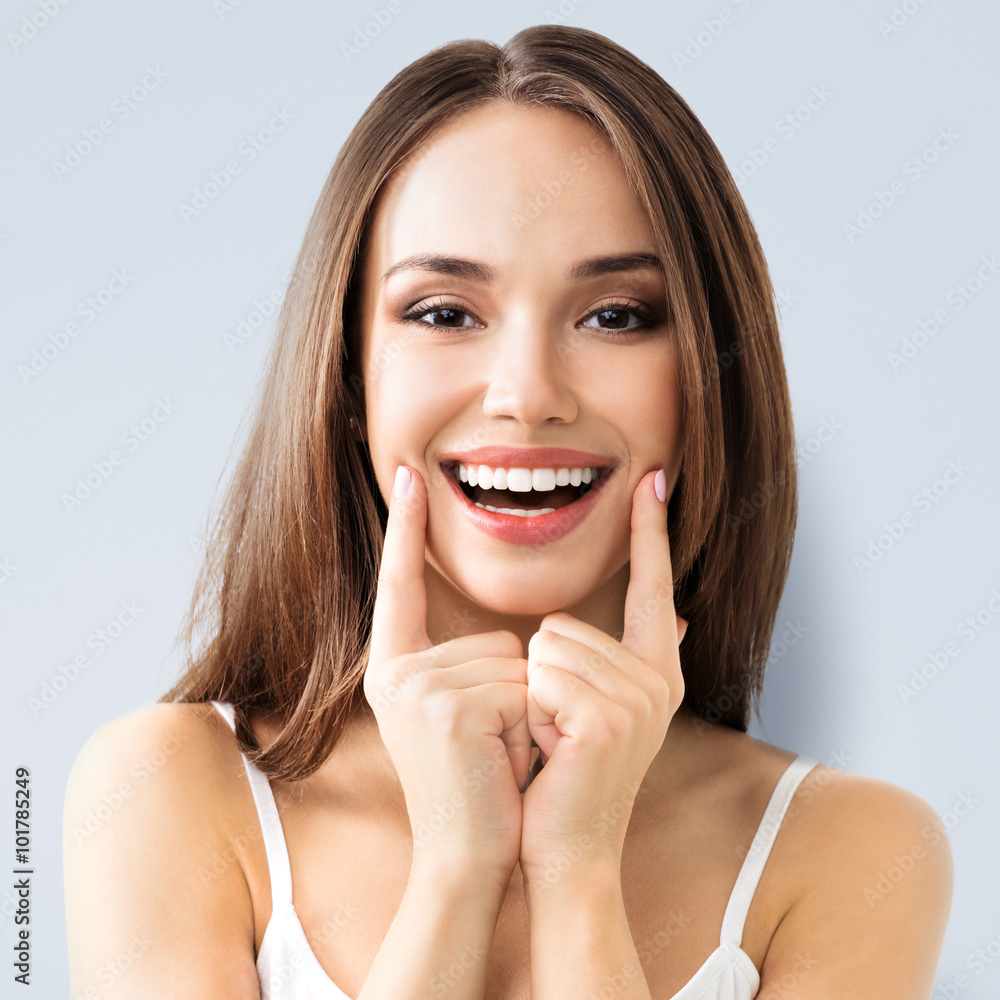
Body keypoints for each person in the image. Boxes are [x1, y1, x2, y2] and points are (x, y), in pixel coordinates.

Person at [63, 24, 953, 1000]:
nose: (527, 394)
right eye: (444, 312)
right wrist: (455, 863)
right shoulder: (165, 792)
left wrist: (576, 869)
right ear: (350, 379)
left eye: (615, 314)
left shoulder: (852, 849)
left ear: (706, 380)